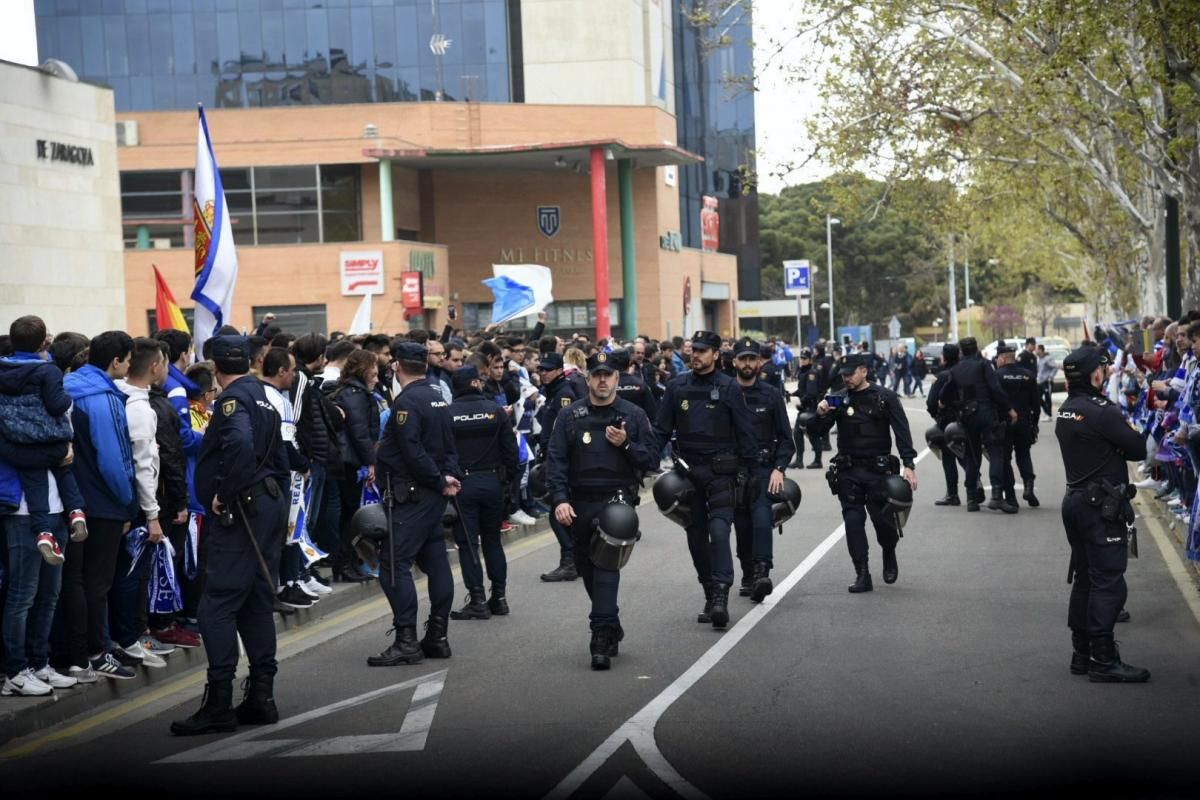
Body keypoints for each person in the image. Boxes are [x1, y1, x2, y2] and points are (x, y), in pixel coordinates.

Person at [172, 335, 291, 735]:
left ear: (215, 368)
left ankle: (219, 704)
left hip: (243, 511)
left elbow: (238, 442)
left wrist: (227, 491)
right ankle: (261, 697)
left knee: (217, 604)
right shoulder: (264, 394)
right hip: (267, 505)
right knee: (255, 600)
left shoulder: (232, 400)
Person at [545, 351, 659, 669]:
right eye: (597, 375)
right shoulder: (570, 416)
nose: (603, 381)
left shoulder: (633, 415)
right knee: (586, 566)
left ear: (617, 379)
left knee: (607, 565)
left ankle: (600, 635)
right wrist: (560, 499)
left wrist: (625, 444)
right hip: (579, 502)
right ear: (587, 378)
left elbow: (650, 461)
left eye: (608, 375)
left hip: (617, 500)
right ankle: (610, 620)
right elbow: (556, 460)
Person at [652, 330, 760, 629]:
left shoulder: (729, 388)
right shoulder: (676, 387)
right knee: (696, 536)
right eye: (693, 350)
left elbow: (746, 434)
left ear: (715, 354)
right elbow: (660, 431)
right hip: (688, 476)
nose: (695, 355)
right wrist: (643, 461)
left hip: (722, 473)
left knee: (720, 531)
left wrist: (752, 475)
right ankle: (709, 591)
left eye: (702, 351)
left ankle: (721, 596)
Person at [1055, 346, 1149, 682]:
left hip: (1075, 503)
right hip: (1100, 508)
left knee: (1085, 579)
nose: (1107, 372)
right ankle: (1104, 659)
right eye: (1102, 368)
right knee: (1108, 583)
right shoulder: (1101, 411)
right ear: (1093, 373)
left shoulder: (1067, 409)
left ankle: (1081, 654)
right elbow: (1138, 448)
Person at [367, 341, 462, 667]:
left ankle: (406, 639)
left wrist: (438, 479)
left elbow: (411, 450)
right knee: (435, 561)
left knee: (393, 565)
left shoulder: (407, 401)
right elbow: (449, 443)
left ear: (396, 367)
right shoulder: (437, 395)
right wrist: (447, 476)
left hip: (413, 495)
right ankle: (437, 636)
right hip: (431, 494)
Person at [62, 331, 139, 681]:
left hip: (71, 499)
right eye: (127, 359)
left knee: (75, 581)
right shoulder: (102, 397)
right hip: (103, 504)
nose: (128, 365)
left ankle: (78, 652)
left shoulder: (68, 386)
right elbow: (113, 458)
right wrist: (127, 500)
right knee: (99, 583)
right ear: (116, 361)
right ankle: (97, 651)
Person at [813, 353, 918, 593]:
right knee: (853, 521)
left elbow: (902, 431)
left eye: (850, 374)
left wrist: (909, 464)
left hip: (878, 472)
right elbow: (818, 432)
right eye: (843, 375)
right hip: (849, 471)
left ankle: (888, 550)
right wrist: (820, 413)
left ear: (863, 371)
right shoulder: (838, 399)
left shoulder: (885, 397)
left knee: (883, 522)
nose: (846, 379)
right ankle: (862, 573)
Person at [0, 316, 88, 563]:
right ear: (42, 344)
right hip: (50, 440)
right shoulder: (47, 370)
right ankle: (76, 511)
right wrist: (69, 399)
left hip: (16, 444)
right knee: (64, 466)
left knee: (34, 480)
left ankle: (44, 533)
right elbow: (57, 404)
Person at [446, 365, 519, 621]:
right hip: (492, 482)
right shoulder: (496, 411)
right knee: (492, 541)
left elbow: (443, 453)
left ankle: (477, 599)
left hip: (462, 485)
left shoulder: (448, 414)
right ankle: (499, 598)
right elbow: (511, 452)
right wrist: (506, 482)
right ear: (476, 383)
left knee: (468, 544)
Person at [730, 338, 794, 601]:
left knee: (761, 520)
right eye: (742, 358)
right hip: (733, 472)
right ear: (734, 361)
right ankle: (747, 572)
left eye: (751, 359)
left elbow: (786, 439)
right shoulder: (724, 393)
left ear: (759, 361)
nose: (747, 363)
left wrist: (779, 469)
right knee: (742, 526)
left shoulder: (771, 395)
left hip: (763, 470)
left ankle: (761, 572)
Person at [949, 337, 1015, 514]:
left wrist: (946, 404)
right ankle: (996, 496)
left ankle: (971, 498)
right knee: (995, 452)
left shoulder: (956, 369)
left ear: (962, 351)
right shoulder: (984, 365)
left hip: (967, 416)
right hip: (986, 413)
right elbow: (995, 388)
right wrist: (1009, 408)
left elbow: (947, 393)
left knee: (972, 456)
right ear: (976, 348)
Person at [535, 352, 581, 582]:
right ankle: (575, 558)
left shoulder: (563, 394)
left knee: (558, 511)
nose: (542, 373)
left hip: (561, 459)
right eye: (540, 369)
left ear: (559, 370)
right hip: (555, 456)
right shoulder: (553, 391)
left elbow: (566, 428)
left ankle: (570, 561)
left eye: (547, 369)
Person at [995, 341, 1040, 509]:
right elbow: (1036, 404)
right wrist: (1034, 424)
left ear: (1003, 359)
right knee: (1024, 455)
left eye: (998, 358)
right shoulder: (1028, 375)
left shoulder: (997, 376)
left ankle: (1011, 497)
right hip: (1024, 421)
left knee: (1005, 459)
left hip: (1004, 422)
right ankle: (1028, 486)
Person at [927, 343, 969, 506]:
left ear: (944, 357)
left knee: (949, 456)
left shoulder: (942, 376)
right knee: (967, 454)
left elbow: (931, 402)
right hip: (967, 417)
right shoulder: (965, 372)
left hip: (947, 420)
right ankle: (975, 485)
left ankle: (952, 494)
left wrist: (937, 416)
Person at [790, 348, 826, 469]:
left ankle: (817, 460)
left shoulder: (811, 373)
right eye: (801, 358)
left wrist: (801, 402)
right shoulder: (804, 372)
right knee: (798, 433)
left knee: (812, 434)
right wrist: (792, 394)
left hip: (810, 408)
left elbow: (812, 393)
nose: (802, 360)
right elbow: (802, 390)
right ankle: (799, 460)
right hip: (805, 408)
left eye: (804, 358)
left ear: (809, 360)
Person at [1035, 344, 1057, 419]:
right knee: (1037, 397)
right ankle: (1047, 412)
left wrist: (1050, 376)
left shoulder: (1047, 359)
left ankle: (1049, 415)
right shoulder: (1038, 359)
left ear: (1041, 350)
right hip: (1039, 381)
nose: (1035, 351)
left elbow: (1054, 367)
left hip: (1047, 381)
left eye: (1037, 349)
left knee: (1048, 398)